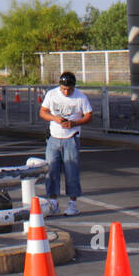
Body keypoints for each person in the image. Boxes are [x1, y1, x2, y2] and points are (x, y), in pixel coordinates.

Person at [39, 71, 93, 216]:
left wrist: (74, 123)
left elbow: (89, 115)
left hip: (71, 137)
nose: (66, 91)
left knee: (71, 171)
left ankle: (72, 203)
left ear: (74, 87)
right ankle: (53, 202)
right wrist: (54, 118)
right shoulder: (52, 94)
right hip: (54, 138)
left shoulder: (80, 97)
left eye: (69, 89)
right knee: (51, 171)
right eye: (63, 88)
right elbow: (43, 112)